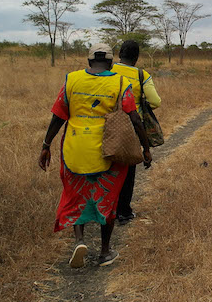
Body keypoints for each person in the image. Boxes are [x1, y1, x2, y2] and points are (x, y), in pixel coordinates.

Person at [38, 43, 152, 268]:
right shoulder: (120, 82)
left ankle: (80, 240)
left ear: (89, 61)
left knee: (75, 194)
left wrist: (46, 144)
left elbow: (58, 116)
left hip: (75, 147)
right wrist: (146, 148)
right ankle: (105, 252)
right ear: (111, 62)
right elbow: (135, 118)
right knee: (107, 197)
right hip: (107, 150)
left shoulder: (71, 80)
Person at [111, 39, 162, 223]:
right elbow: (155, 101)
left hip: (107, 126)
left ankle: (107, 208)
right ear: (136, 57)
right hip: (132, 127)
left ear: (119, 54)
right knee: (128, 170)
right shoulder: (142, 75)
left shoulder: (108, 71)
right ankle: (124, 211)